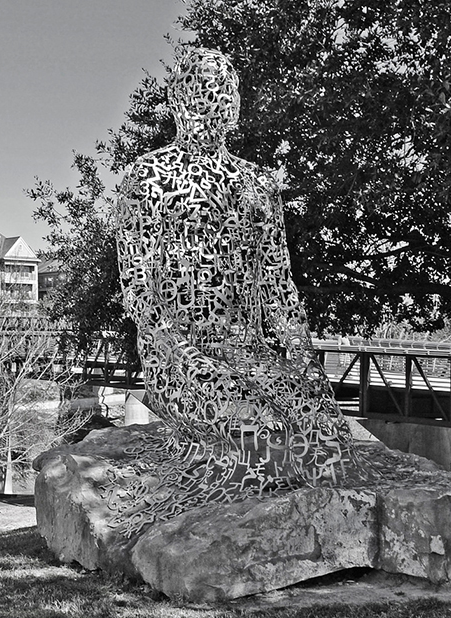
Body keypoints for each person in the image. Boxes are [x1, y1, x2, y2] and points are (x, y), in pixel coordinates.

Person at [115, 47, 354, 489]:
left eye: (224, 93)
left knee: (323, 427)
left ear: (236, 105)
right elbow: (137, 290)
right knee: (259, 432)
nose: (213, 103)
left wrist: (300, 354)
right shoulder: (147, 178)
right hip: (177, 355)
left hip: (247, 354)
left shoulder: (259, 184)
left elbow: (280, 288)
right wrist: (181, 352)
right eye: (201, 92)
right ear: (177, 101)